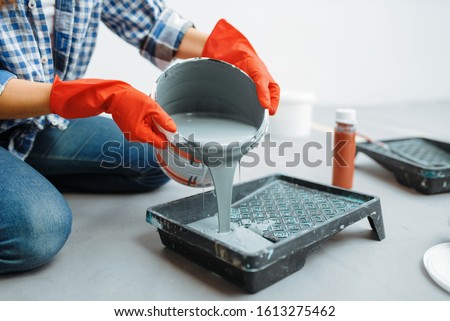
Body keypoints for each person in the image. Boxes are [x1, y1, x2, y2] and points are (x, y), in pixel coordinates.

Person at [0, 0, 280, 274]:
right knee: (39, 231)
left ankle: (21, 170)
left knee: (153, 158)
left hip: (32, 123)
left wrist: (228, 50)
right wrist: (88, 97)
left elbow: (150, 21)